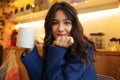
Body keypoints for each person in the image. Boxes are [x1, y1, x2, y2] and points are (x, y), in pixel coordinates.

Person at [20, 2, 96, 80]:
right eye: (55, 23)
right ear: (49, 26)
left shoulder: (83, 48)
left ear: (74, 26)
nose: (60, 28)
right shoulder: (52, 46)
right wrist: (31, 49)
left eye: (66, 23)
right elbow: (41, 77)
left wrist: (58, 49)